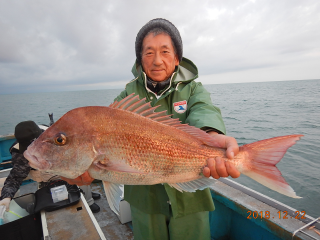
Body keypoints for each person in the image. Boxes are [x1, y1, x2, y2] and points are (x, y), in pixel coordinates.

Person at [113, 18, 241, 240]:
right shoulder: (127, 95)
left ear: (176, 59)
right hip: (144, 199)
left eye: (165, 51)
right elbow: (107, 126)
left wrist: (211, 135)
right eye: (149, 53)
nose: (157, 61)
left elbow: (203, 109)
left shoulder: (193, 89)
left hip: (190, 197)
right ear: (140, 59)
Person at [0, 121, 101, 213]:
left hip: (60, 163)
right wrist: (6, 197)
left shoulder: (53, 134)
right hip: (41, 173)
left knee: (80, 171)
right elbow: (15, 177)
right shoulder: (19, 153)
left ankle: (89, 199)